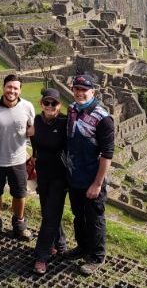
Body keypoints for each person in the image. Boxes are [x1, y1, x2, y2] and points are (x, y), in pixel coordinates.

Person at [63, 74, 114, 275]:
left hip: (92, 178)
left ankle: (97, 256)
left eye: (84, 90)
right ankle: (82, 247)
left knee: (95, 218)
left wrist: (98, 183)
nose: (80, 93)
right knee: (78, 216)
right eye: (77, 89)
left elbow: (107, 153)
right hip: (75, 175)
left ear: (93, 92)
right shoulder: (72, 109)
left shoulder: (103, 118)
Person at [0, 74, 35, 240]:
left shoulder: (28, 107)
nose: (11, 91)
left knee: (20, 194)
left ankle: (19, 224)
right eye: (9, 87)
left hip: (18, 159)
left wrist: (35, 154)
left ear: (20, 90)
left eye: (15, 88)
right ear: (3, 87)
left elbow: (32, 131)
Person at [31, 87, 69, 275]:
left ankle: (42, 256)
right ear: (42, 104)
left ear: (59, 105)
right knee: (49, 212)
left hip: (60, 176)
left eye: (54, 103)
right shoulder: (37, 121)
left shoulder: (64, 122)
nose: (50, 106)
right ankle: (60, 244)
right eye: (47, 102)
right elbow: (33, 140)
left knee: (50, 214)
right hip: (43, 175)